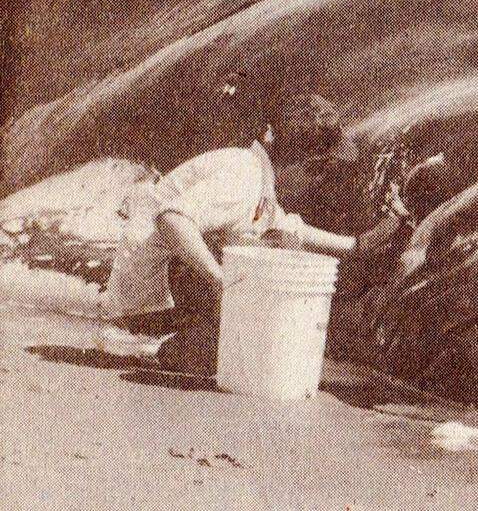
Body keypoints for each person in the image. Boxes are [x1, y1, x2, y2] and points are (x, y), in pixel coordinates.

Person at [102, 94, 363, 373]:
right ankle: (155, 343)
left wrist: (355, 245)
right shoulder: (243, 177)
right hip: (144, 302)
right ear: (306, 162)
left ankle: (172, 342)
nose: (318, 178)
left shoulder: (258, 175)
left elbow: (281, 225)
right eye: (317, 167)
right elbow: (171, 219)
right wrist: (219, 280)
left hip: (146, 293)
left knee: (267, 248)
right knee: (249, 336)